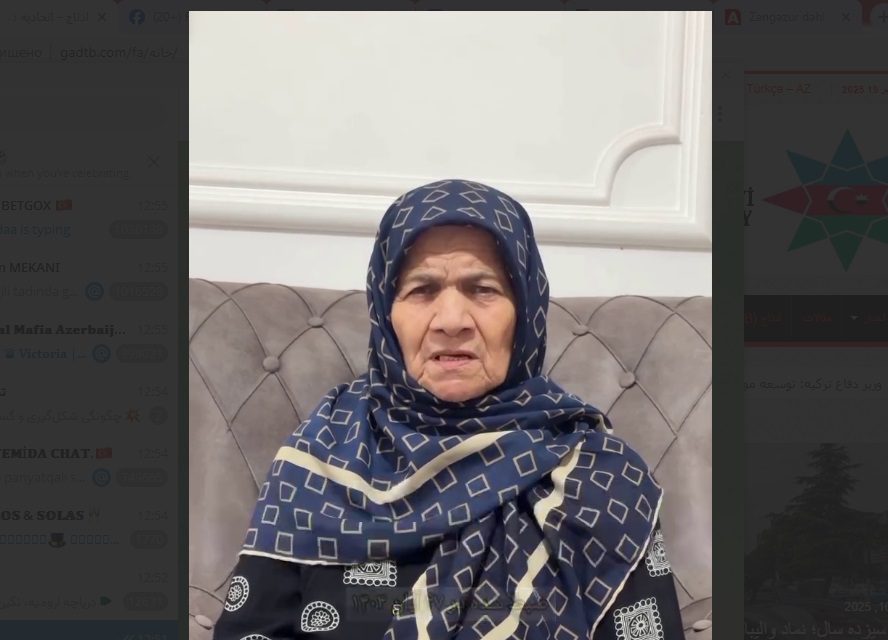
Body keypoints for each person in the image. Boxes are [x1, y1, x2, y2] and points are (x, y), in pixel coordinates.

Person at [213, 180, 685, 640]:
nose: (453, 321)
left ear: (525, 311)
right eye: (422, 290)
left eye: (482, 289)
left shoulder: (598, 473)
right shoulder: (325, 451)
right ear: (386, 312)